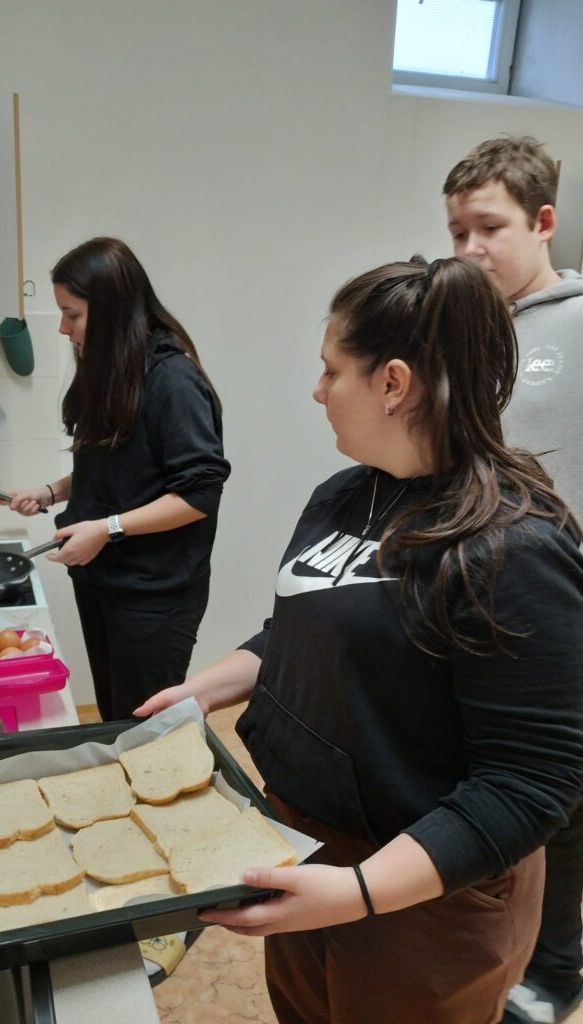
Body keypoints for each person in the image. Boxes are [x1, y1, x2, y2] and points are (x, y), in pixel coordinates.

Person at [136, 256, 583, 1024]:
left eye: (330, 369)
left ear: (392, 384)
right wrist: (202, 691)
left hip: (420, 894)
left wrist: (358, 892)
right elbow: (304, 628)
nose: (317, 391)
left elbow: (529, 785)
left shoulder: (512, 546)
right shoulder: (346, 494)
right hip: (305, 850)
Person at [444, 136, 583, 1024]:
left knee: (560, 801)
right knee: (496, 783)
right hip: (477, 598)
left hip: (561, 605)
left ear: (542, 222)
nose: (468, 249)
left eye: (487, 228)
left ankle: (556, 969)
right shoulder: (471, 331)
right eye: (456, 231)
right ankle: (503, 945)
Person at [6, 236, 230, 721]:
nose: (63, 328)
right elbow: (114, 465)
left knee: (143, 728)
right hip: (101, 579)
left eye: (72, 314)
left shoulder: (174, 381)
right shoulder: (113, 369)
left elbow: (199, 494)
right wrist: (50, 492)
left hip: (153, 595)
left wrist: (106, 529)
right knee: (114, 719)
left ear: (112, 311)